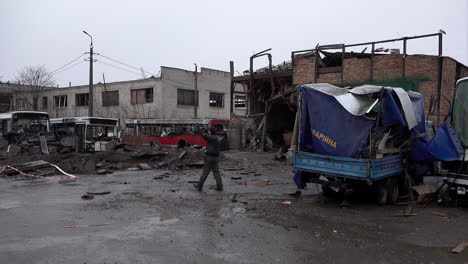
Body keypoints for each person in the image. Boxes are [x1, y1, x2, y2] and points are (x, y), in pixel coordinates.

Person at [194, 127, 223, 191]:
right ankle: (220, 187)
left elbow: (204, 136)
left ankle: (199, 186)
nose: (209, 132)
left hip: (210, 158)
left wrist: (199, 129)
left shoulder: (212, 138)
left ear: (211, 132)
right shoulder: (217, 138)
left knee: (205, 173)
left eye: (209, 131)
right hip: (216, 158)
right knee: (216, 173)